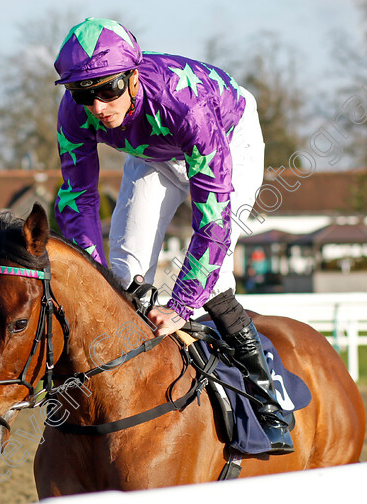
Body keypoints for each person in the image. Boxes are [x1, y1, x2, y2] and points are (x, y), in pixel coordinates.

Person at [53, 18, 292, 453]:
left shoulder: (187, 105)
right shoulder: (75, 113)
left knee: (211, 281)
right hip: (153, 155)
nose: (97, 107)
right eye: (83, 94)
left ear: (132, 75)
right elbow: (77, 200)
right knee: (123, 275)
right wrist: (95, 274)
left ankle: (265, 399)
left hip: (226, 138)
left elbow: (213, 222)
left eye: (108, 90)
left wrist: (181, 305)